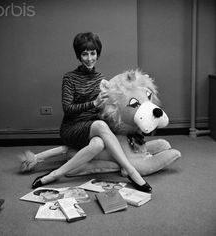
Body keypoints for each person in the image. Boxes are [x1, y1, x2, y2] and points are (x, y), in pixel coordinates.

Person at [32, 32, 152, 193]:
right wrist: (93, 103)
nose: (89, 58)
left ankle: (54, 174)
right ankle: (131, 171)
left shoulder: (100, 78)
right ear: (79, 55)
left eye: (93, 53)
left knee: (98, 143)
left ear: (97, 54)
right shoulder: (69, 78)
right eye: (85, 54)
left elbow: (106, 107)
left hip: (93, 127)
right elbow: (67, 109)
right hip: (72, 128)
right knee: (101, 125)